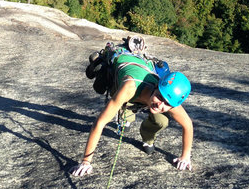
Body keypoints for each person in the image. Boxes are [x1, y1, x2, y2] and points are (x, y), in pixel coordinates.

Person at [70, 44, 193, 177]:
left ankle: (147, 136)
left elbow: (188, 125)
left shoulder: (169, 97)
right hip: (124, 79)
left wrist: (185, 156)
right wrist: (86, 161)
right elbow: (100, 123)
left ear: (173, 106)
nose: (160, 104)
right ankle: (125, 114)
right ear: (157, 86)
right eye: (159, 97)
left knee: (162, 121)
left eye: (167, 104)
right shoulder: (129, 87)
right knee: (123, 107)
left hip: (141, 79)